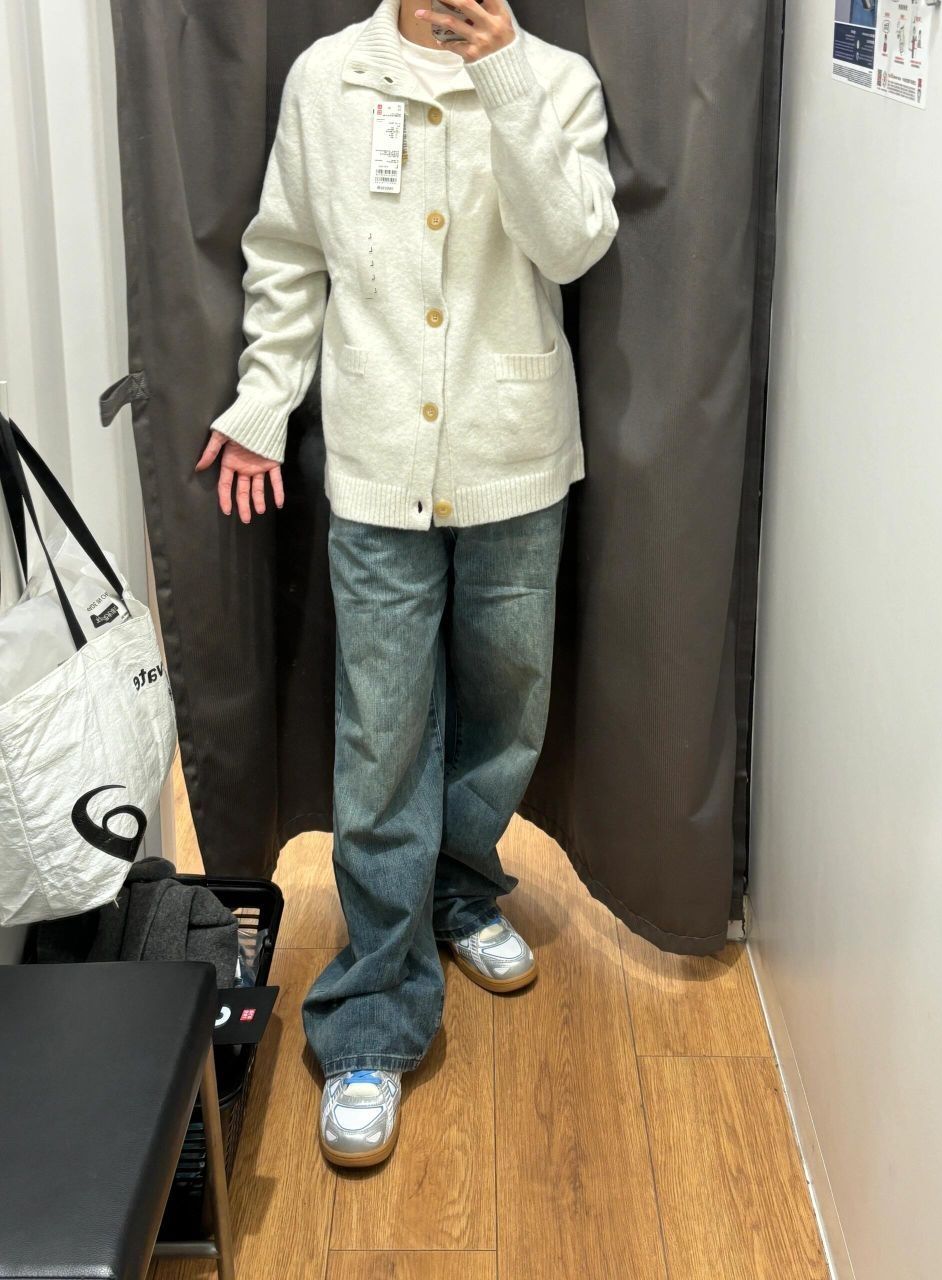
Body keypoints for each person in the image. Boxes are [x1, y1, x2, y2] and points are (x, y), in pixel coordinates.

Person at [195, 0, 618, 1167]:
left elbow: (573, 244)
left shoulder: (557, 80)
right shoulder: (328, 78)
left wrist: (506, 78)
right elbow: (289, 255)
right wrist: (263, 402)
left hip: (515, 457)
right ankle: (372, 1011)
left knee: (508, 703)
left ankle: (462, 888)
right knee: (381, 733)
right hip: (377, 464)